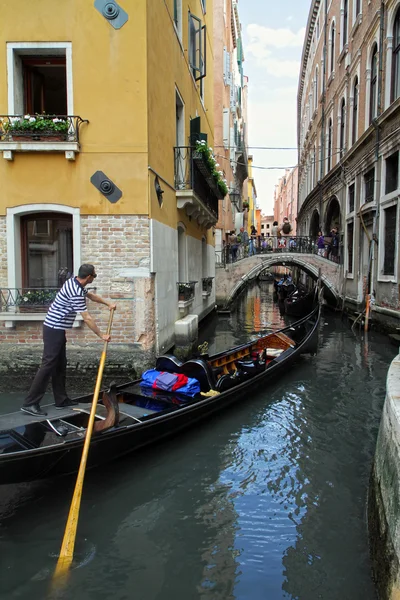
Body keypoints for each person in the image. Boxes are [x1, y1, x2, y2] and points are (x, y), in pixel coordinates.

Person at [21, 264, 116, 417]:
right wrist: (101, 335)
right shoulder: (75, 291)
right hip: (53, 328)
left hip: (57, 329)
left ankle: (61, 400)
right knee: (48, 365)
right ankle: (30, 403)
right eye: (94, 275)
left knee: (60, 364)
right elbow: (87, 317)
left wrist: (108, 304)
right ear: (89, 277)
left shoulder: (74, 282)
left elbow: (91, 295)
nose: (94, 277)